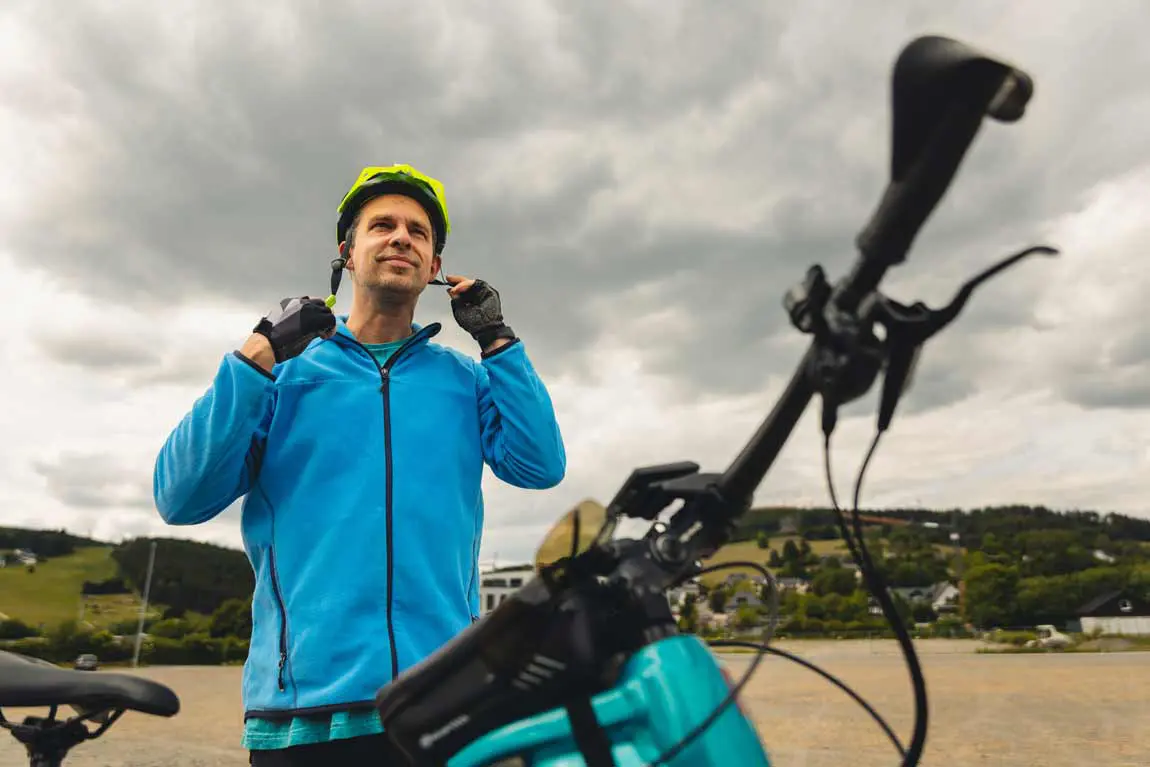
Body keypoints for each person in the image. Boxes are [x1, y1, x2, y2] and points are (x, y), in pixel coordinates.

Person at [152, 164, 567, 765]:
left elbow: (539, 464)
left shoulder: (464, 380)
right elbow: (180, 497)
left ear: (433, 268)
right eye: (383, 226)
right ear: (347, 254)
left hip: (443, 698)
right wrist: (258, 350)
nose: (402, 237)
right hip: (305, 712)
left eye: (419, 232)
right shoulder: (281, 375)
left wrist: (497, 338)